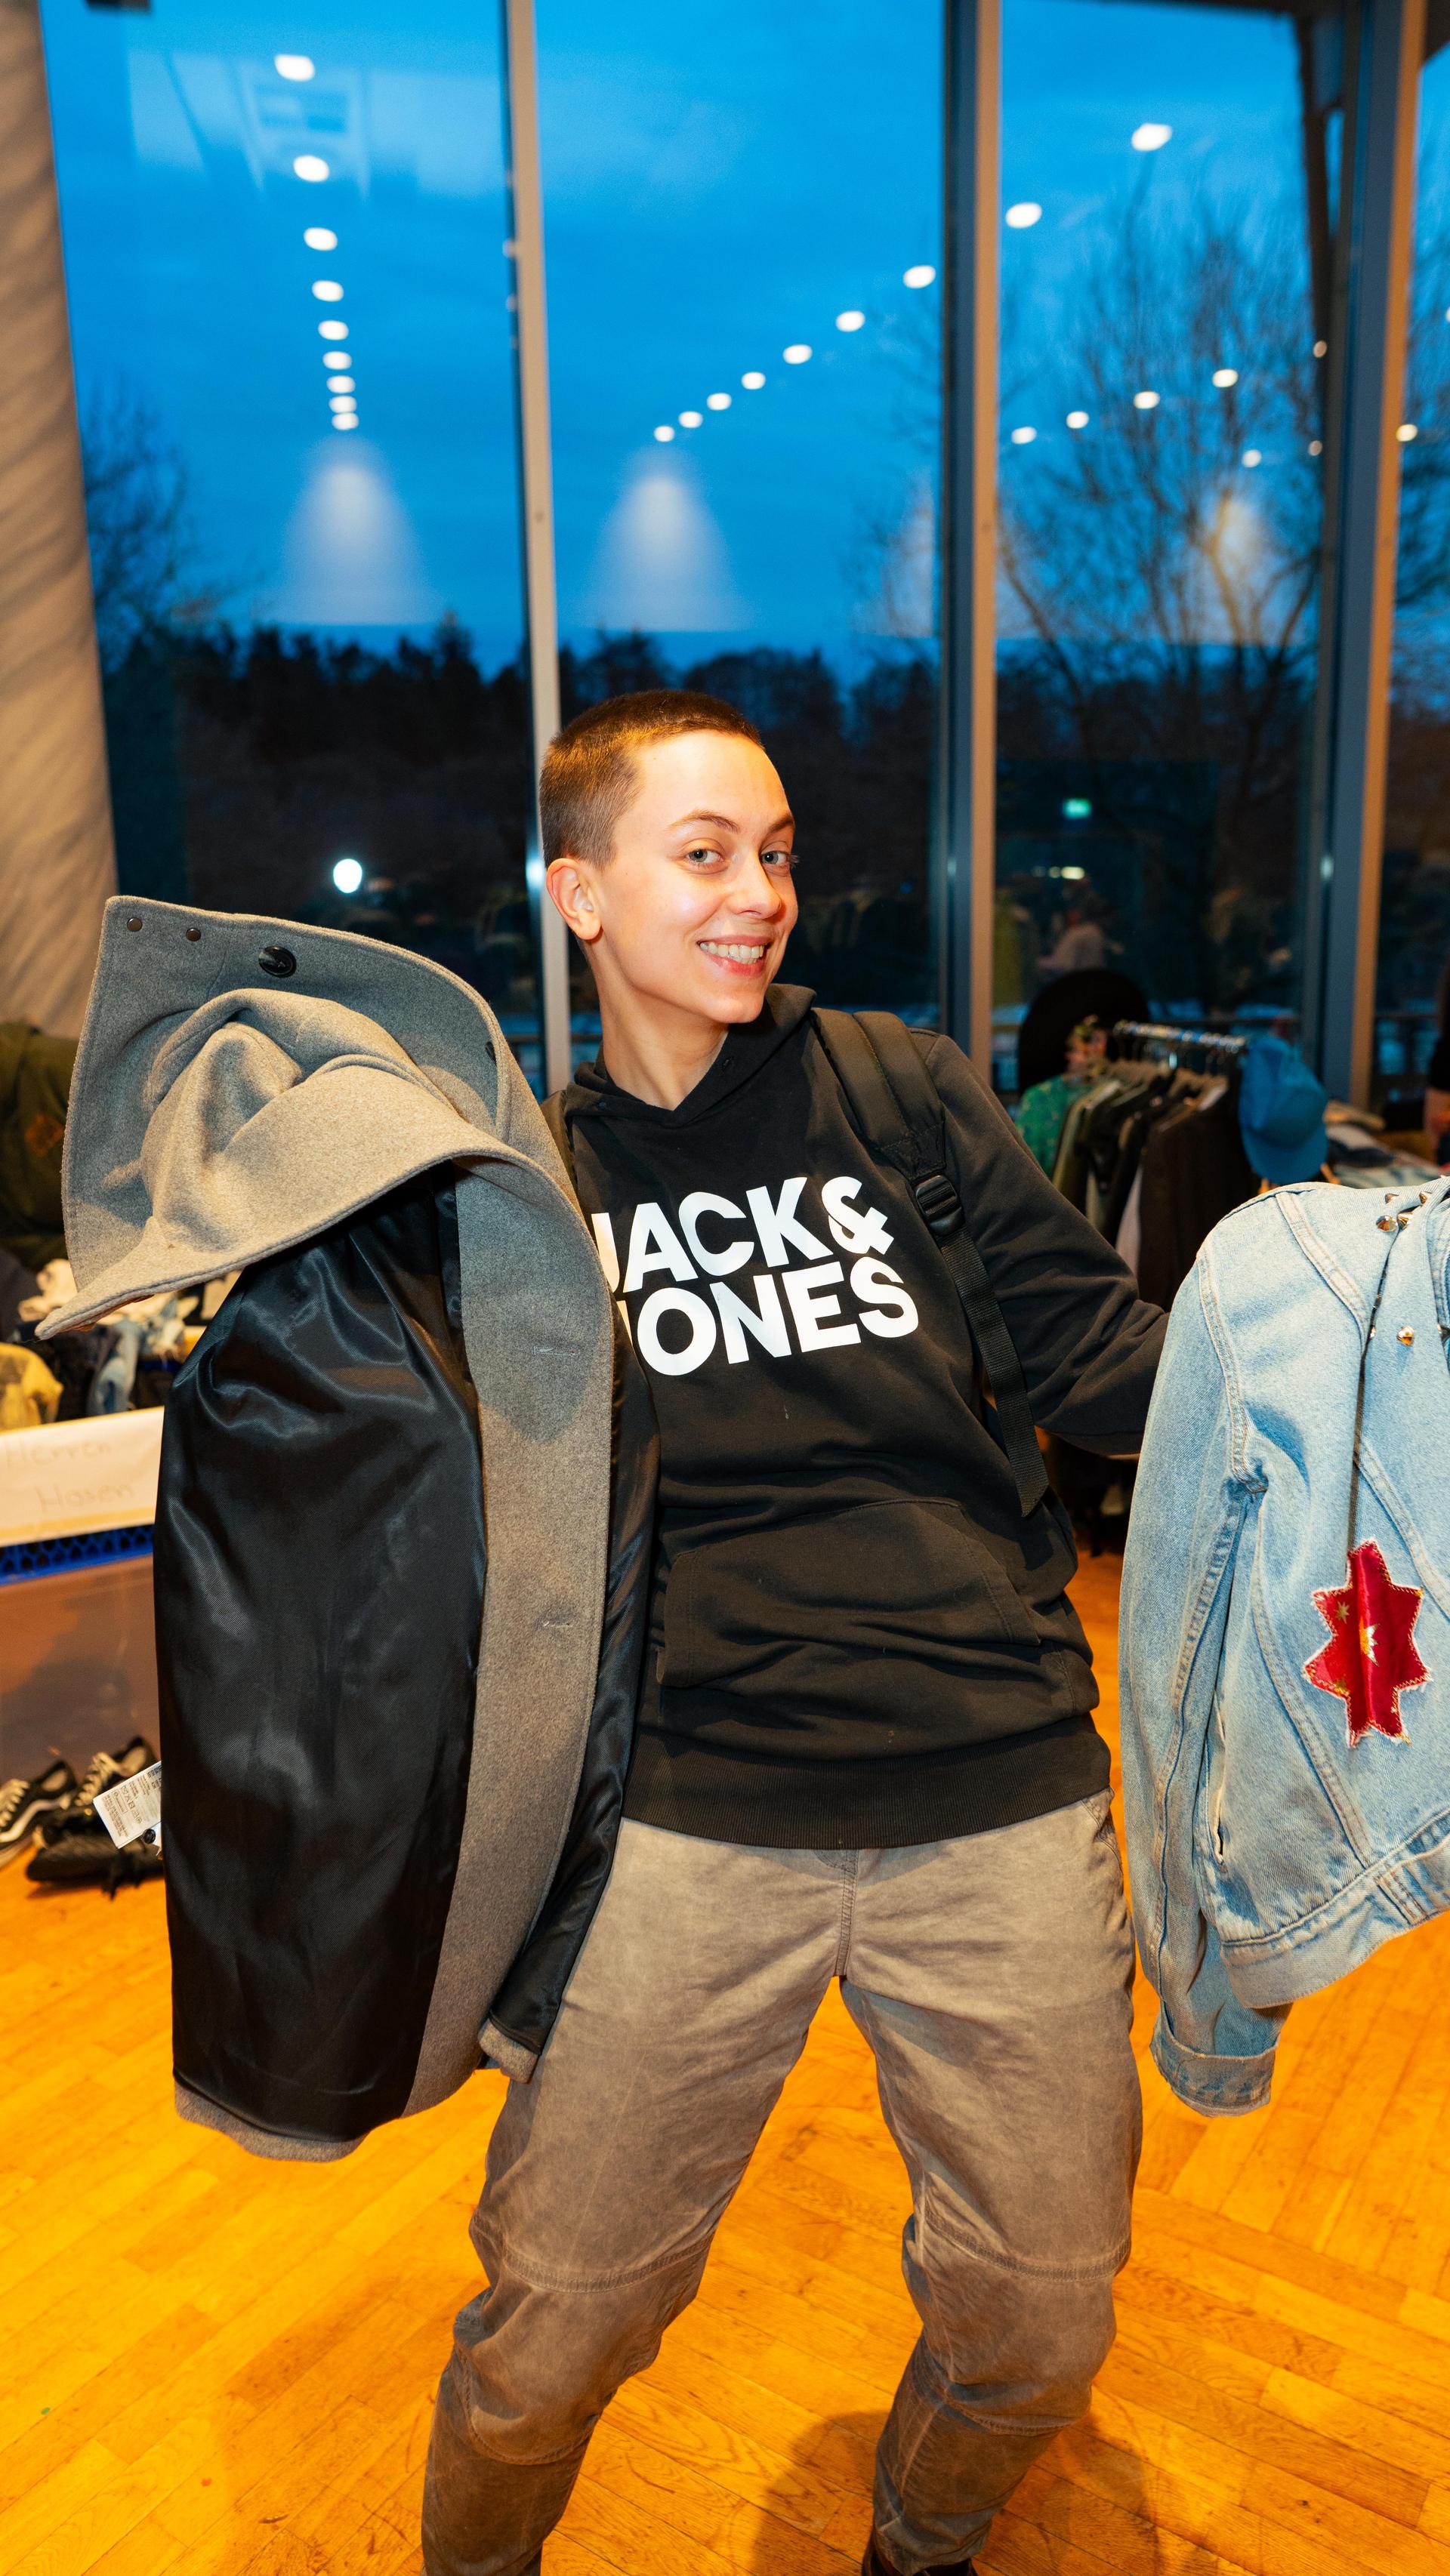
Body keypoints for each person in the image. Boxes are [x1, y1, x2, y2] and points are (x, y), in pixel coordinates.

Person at [424, 692, 1166, 2576]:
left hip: (995, 1785)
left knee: (1044, 2314)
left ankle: (920, 2539)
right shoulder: (522, 1191)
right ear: (577, 892)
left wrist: (1341, 1356)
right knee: (553, 2326)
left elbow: (1105, 1359)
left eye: (775, 855)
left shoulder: (901, 1089)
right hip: (687, 1814)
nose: (759, 896)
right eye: (705, 855)